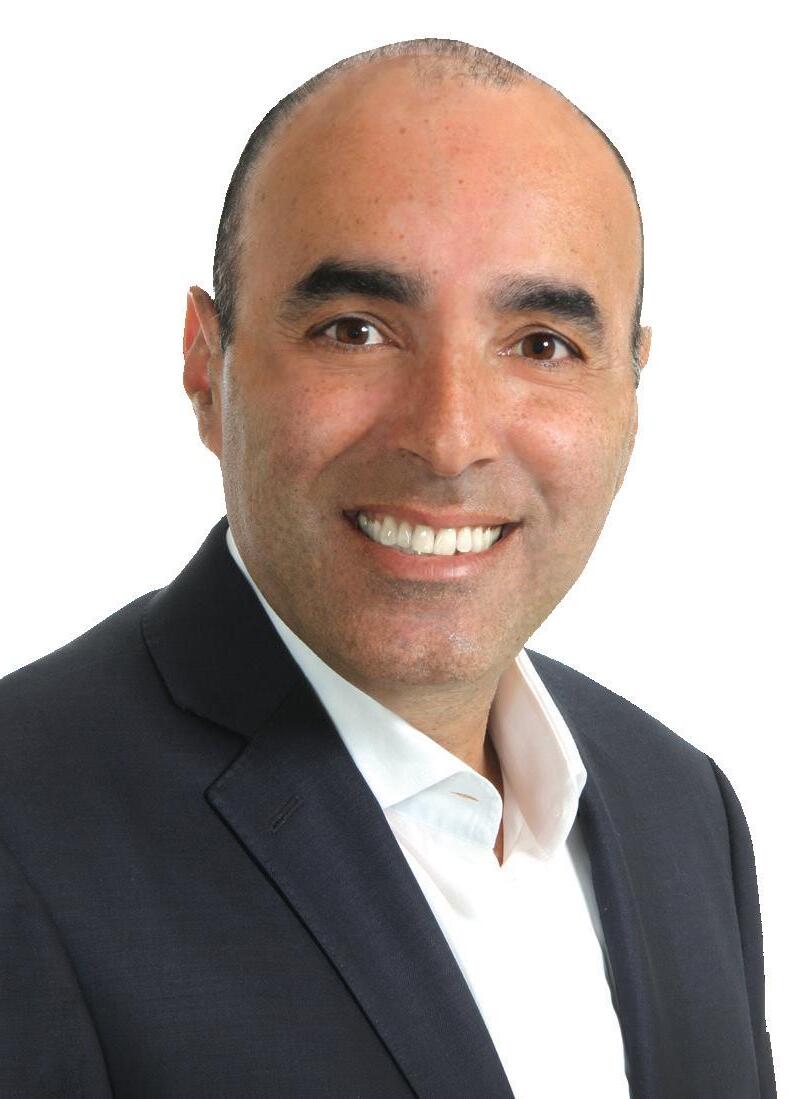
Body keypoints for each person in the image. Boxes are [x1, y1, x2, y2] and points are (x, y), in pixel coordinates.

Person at [0, 37, 775, 1099]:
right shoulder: (23, 831)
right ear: (205, 367)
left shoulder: (682, 809)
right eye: (355, 330)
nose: (449, 439)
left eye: (541, 344)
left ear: (630, 389)